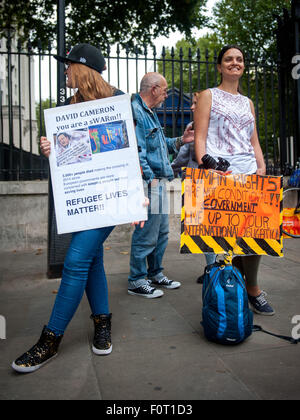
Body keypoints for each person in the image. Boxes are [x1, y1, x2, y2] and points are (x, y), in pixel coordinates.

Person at [12, 43, 147, 374]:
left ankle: (51, 338)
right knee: (93, 259)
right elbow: (72, 154)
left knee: (74, 260)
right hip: (84, 196)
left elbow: (135, 151)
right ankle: (102, 323)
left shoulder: (121, 100)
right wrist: (49, 148)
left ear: (82, 68)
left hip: (111, 195)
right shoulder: (71, 105)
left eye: (68, 65)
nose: (65, 71)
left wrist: (137, 197)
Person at [194, 45, 275, 315]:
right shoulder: (208, 96)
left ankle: (252, 288)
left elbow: (253, 139)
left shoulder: (247, 102)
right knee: (224, 239)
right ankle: (229, 290)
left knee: (256, 234)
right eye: (228, 59)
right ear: (219, 66)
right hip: (221, 173)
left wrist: (261, 165)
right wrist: (206, 164)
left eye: (239, 59)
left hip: (250, 172)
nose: (234, 63)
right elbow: (201, 137)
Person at [128, 72, 194, 298]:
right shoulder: (136, 112)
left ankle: (155, 273)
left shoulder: (150, 113)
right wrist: (151, 180)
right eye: (165, 90)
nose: (166, 95)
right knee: (146, 234)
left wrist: (180, 141)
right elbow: (138, 152)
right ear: (154, 89)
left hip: (158, 181)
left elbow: (158, 145)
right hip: (150, 183)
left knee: (162, 233)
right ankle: (137, 280)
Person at [171, 92, 216, 282]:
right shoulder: (193, 126)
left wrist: (172, 167)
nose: (191, 107)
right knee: (203, 229)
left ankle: (216, 269)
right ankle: (213, 268)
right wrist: (171, 168)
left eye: (195, 103)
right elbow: (182, 157)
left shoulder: (205, 127)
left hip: (209, 183)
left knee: (212, 227)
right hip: (197, 184)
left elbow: (182, 159)